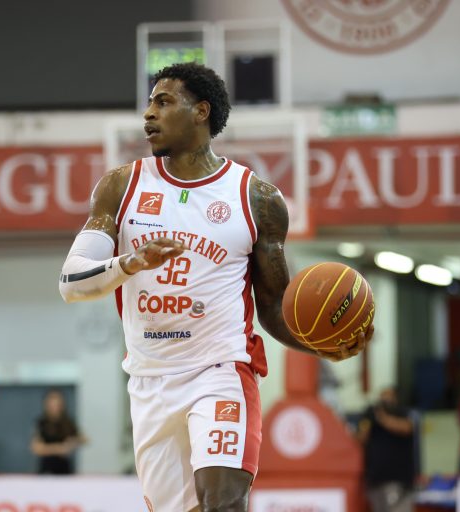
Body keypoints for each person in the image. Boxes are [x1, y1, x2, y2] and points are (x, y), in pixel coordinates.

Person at [59, 62, 373, 512]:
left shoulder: (257, 199)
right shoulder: (120, 187)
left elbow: (273, 307)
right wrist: (131, 262)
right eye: (149, 103)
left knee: (223, 503)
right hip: (149, 379)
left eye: (163, 102)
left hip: (221, 371)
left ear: (201, 111)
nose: (148, 114)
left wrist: (322, 345)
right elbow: (71, 282)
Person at [357, 387, 416, 512]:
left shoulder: (403, 413)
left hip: (398, 481)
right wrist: (367, 422)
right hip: (375, 480)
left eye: (388, 397)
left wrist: (382, 418)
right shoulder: (371, 416)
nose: (385, 400)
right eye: (382, 397)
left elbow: (406, 428)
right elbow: (360, 439)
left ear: (395, 399)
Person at [30, 389, 84, 474]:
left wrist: (73, 442)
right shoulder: (41, 423)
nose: (55, 406)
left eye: (57, 403)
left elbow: (83, 438)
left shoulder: (68, 422)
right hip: (46, 469)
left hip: (64, 468)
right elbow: (36, 448)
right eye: (52, 403)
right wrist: (59, 449)